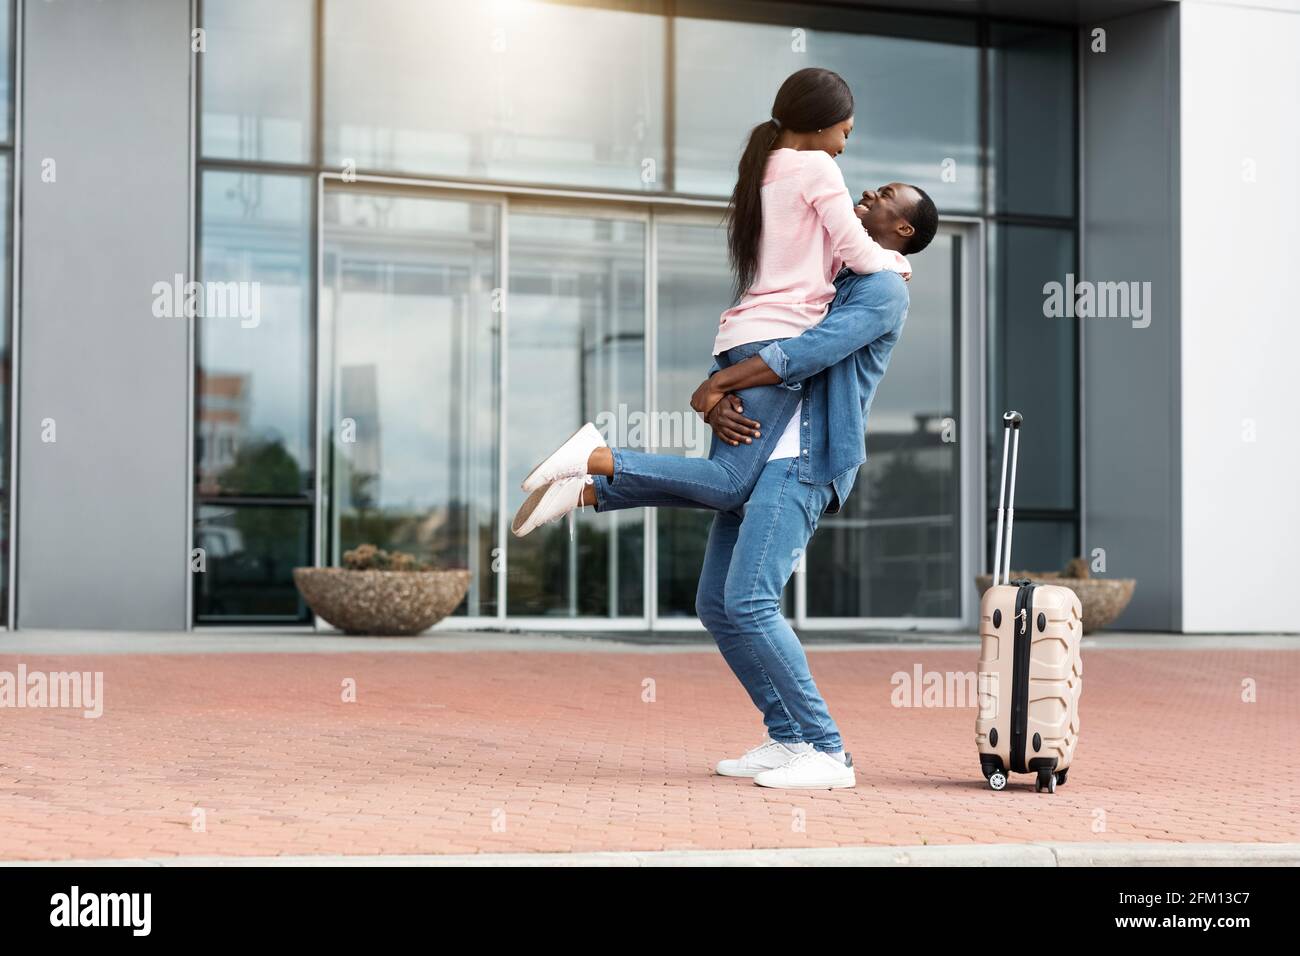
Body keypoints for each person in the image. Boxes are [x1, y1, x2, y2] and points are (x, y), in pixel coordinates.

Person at [511, 66, 909, 535]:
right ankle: (595, 458)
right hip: (776, 338)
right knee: (727, 483)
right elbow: (856, 252)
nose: (843, 145)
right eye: (845, 133)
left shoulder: (762, 166)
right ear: (822, 122)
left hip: (739, 339)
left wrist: (718, 383)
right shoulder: (819, 167)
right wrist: (897, 264)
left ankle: (584, 489)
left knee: (730, 488)